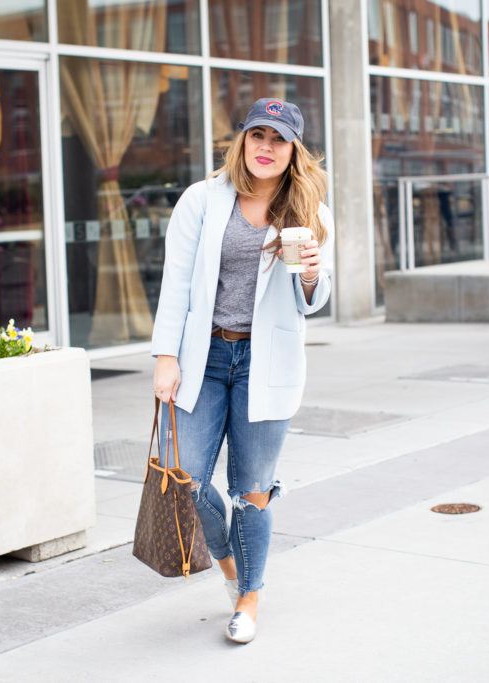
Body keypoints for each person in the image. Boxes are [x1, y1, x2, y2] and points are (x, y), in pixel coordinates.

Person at [150, 98, 332, 644]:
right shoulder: (202, 200)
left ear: (293, 150)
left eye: (278, 140)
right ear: (243, 141)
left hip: (264, 361)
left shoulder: (309, 211)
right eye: (258, 136)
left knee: (251, 491)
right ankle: (230, 566)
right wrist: (166, 355)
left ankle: (249, 600)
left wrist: (310, 274)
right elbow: (176, 282)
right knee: (186, 479)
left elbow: (310, 302)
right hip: (203, 358)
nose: (266, 149)